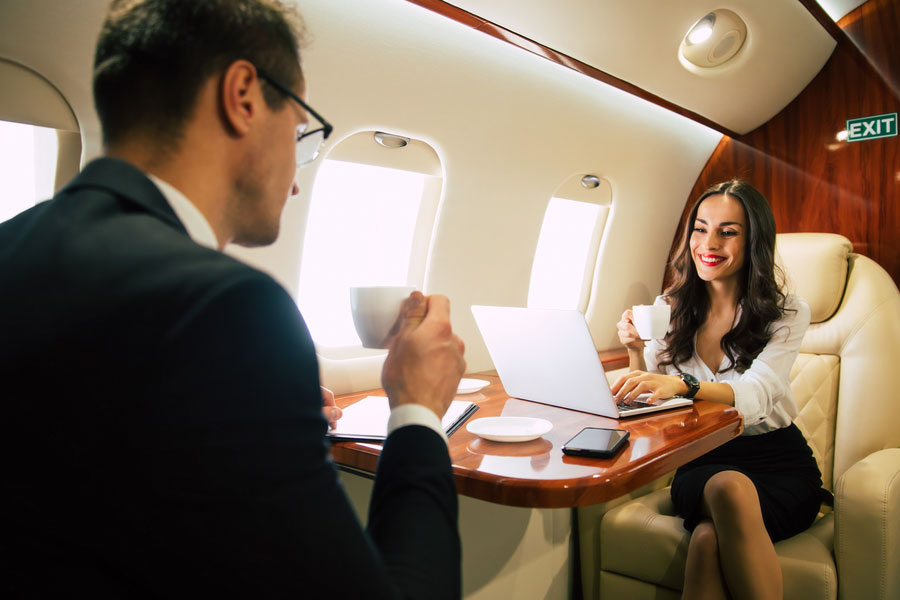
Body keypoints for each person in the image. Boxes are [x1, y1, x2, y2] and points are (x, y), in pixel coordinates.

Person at [0, 1, 465, 598]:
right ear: (243, 95)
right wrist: (417, 410)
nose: (297, 179)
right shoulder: (226, 308)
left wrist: (270, 420)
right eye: (300, 132)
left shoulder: (15, 245)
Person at [612, 180, 822, 600]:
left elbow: (758, 396)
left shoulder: (788, 312)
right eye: (700, 228)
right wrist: (636, 354)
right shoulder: (666, 310)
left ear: (754, 241)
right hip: (702, 460)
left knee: (707, 540)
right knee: (727, 486)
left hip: (779, 463)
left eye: (728, 231)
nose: (709, 242)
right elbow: (649, 402)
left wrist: (686, 386)